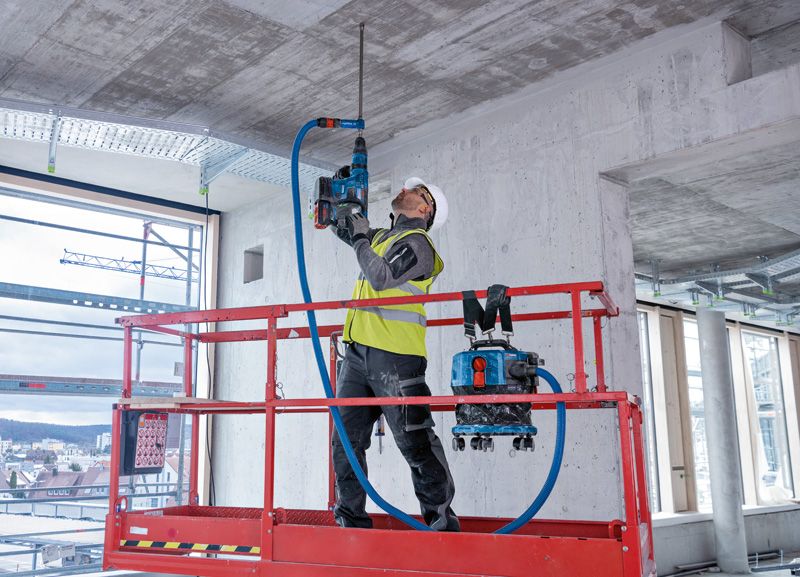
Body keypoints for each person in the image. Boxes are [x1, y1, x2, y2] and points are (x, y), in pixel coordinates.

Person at [331, 177, 459, 531]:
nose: (404, 190)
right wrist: (338, 208)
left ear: (425, 208)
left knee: (415, 442)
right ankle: (351, 521)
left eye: (414, 191)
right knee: (345, 442)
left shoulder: (419, 245)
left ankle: (441, 523)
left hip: (397, 358)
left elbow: (381, 276)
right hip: (357, 355)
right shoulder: (381, 238)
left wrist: (360, 237)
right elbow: (348, 232)